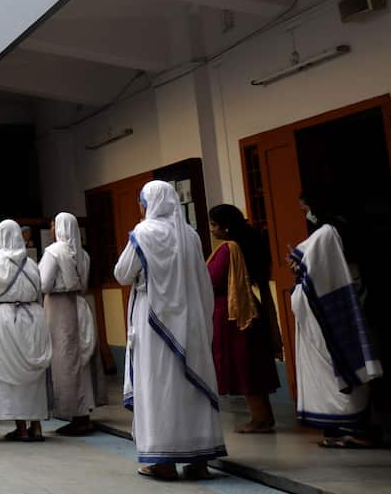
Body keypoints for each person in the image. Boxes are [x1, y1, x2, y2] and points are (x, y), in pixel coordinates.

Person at [115, 181, 224, 481]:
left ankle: (162, 461)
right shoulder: (190, 234)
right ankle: (199, 460)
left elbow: (122, 273)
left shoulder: (143, 233)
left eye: (141, 201)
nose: (140, 207)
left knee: (158, 385)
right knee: (190, 385)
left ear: (148, 203)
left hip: (154, 319)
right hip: (189, 319)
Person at [289, 215, 382, 448]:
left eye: (306, 208)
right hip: (344, 307)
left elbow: (311, 266)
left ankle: (357, 430)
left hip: (332, 313)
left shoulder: (327, 234)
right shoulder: (345, 245)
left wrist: (301, 265)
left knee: (344, 366)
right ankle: (348, 429)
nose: (306, 214)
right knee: (352, 365)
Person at [0, 219, 51, 442]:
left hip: (2, 321)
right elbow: (39, 292)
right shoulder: (32, 264)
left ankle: (20, 427)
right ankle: (36, 426)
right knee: (33, 378)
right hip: (33, 319)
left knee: (8, 376)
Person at [206, 204, 279, 434]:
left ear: (226, 227)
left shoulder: (229, 249)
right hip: (249, 309)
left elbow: (212, 280)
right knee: (253, 363)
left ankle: (260, 418)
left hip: (236, 314)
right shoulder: (249, 245)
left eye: (214, 225)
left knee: (246, 365)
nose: (212, 229)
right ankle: (263, 416)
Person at [39, 212, 105, 436]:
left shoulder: (54, 252)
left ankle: (75, 413)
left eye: (53, 225)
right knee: (81, 360)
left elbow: (44, 283)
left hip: (60, 309)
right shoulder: (83, 254)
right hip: (81, 306)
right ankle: (84, 412)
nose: (51, 229)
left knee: (65, 360)